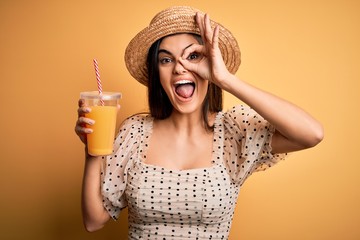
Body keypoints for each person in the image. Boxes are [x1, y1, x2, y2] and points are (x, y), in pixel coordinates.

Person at [75, 5, 323, 239]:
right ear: (157, 73)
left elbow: (311, 134)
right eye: (166, 59)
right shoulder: (134, 132)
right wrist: (92, 150)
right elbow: (94, 220)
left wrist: (225, 79)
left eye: (193, 56)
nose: (180, 68)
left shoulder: (234, 130)